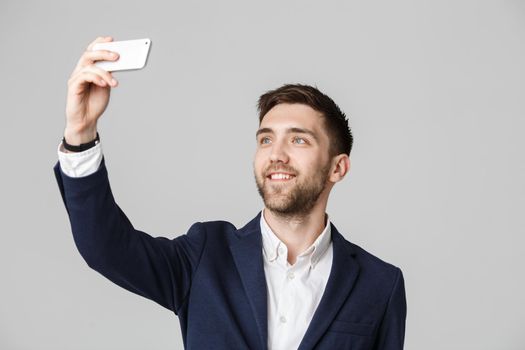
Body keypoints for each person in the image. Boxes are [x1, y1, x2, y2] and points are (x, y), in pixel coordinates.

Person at [54, 36, 407, 350]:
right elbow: (105, 247)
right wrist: (80, 132)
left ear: (337, 168)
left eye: (298, 139)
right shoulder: (206, 253)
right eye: (266, 139)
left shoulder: (380, 284)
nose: (276, 154)